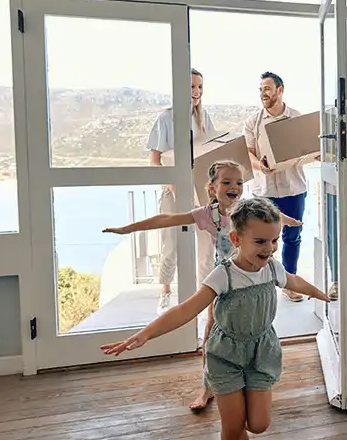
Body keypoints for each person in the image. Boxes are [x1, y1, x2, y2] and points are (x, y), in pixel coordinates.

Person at [102, 197, 331, 440]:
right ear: (236, 239)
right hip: (225, 356)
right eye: (261, 241)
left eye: (274, 240)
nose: (270, 248)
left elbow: (293, 280)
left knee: (259, 424)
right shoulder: (224, 274)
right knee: (232, 424)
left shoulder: (271, 268)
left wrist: (318, 292)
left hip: (260, 352)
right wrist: (145, 335)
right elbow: (185, 309)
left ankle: (242, 432)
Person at [103, 161, 302, 412]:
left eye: (239, 183)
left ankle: (253, 379)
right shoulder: (207, 214)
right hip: (225, 279)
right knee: (211, 330)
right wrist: (126, 229)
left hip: (253, 276)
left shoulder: (248, 209)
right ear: (212, 187)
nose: (234, 187)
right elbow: (166, 218)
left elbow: (270, 215)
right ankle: (208, 386)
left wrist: (290, 221)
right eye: (227, 182)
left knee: (255, 327)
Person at [242, 72, 317, 303]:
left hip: (293, 189)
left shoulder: (296, 118)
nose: (263, 93)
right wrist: (260, 166)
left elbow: (307, 149)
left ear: (279, 90)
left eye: (267, 88)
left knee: (292, 237)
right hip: (263, 191)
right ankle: (258, 285)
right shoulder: (253, 121)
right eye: (260, 89)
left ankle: (289, 283)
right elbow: (248, 152)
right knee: (259, 239)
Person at [147, 69, 216, 314]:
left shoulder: (204, 118)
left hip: (200, 191)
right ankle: (165, 292)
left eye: (200, 88)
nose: (196, 93)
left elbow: (210, 154)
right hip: (173, 191)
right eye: (191, 87)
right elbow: (155, 161)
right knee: (171, 245)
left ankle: (205, 299)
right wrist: (172, 186)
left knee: (207, 245)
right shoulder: (165, 119)